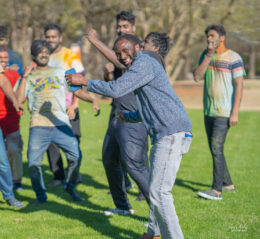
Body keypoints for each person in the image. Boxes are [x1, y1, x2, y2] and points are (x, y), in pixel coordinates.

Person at [66, 34, 192, 239]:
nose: (122, 56)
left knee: (160, 193)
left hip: (171, 132)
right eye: (118, 54)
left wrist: (85, 82)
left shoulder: (144, 63)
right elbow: (152, 104)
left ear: (138, 47)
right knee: (155, 189)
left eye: (126, 50)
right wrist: (131, 116)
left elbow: (116, 89)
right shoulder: (141, 67)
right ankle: (154, 233)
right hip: (166, 133)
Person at [85, 11, 150, 215]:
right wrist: (107, 75)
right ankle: (122, 206)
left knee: (135, 165)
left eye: (125, 26)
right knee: (109, 158)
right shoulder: (121, 50)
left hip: (133, 114)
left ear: (133, 28)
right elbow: (115, 82)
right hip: (116, 112)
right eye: (118, 26)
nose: (120, 30)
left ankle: (158, 212)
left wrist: (94, 41)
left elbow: (121, 63)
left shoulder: (137, 53)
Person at [16, 40, 82, 203]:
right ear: (33, 56)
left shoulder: (61, 71)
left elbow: (76, 88)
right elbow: (18, 100)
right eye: (40, 51)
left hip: (61, 124)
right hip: (38, 125)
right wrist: (24, 78)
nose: (44, 54)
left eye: (46, 51)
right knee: (33, 164)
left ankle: (70, 186)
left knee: (76, 156)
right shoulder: (29, 76)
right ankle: (41, 196)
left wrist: (75, 105)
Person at [193, 24, 245, 200]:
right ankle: (228, 183)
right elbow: (197, 77)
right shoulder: (205, 55)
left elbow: (239, 86)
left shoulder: (233, 57)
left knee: (216, 147)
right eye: (207, 36)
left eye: (213, 35)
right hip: (209, 111)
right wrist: (208, 55)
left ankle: (216, 190)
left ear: (222, 37)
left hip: (224, 111)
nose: (209, 39)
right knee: (215, 149)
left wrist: (235, 112)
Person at [44, 24, 99, 187]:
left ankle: (74, 173)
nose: (50, 40)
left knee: (73, 140)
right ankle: (58, 176)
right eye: (47, 37)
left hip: (68, 106)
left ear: (60, 38)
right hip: (50, 109)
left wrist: (75, 105)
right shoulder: (43, 56)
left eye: (53, 37)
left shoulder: (70, 56)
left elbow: (79, 82)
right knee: (51, 143)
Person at [0, 46, 23, 191]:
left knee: (14, 151)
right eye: (0, 58)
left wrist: (18, 103)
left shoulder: (14, 75)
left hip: (11, 119)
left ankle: (17, 181)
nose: (3, 60)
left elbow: (22, 94)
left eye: (5, 57)